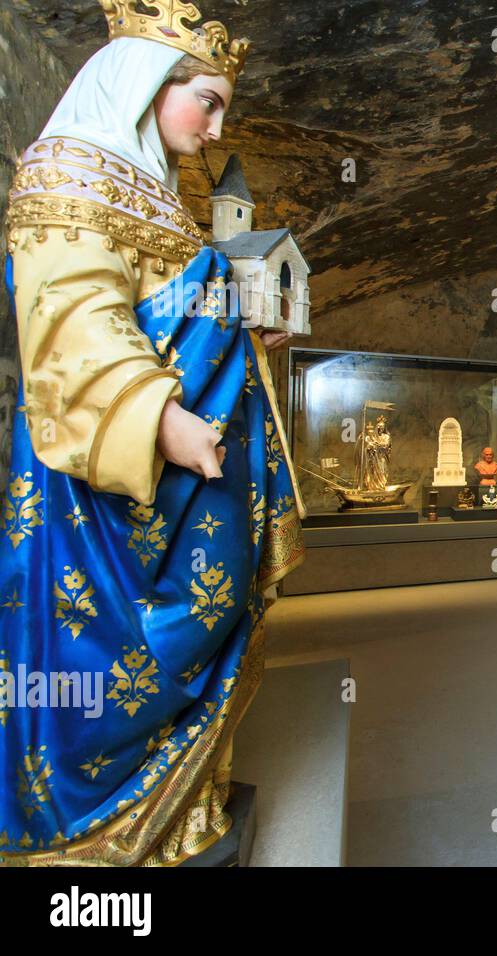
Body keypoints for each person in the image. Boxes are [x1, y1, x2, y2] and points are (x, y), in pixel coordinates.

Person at [0, 0, 305, 865]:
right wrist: (159, 418)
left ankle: (183, 796)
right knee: (110, 648)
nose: (214, 129)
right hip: (106, 482)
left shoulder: (166, 201)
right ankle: (93, 824)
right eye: (205, 101)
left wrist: (247, 330)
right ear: (147, 81)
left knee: (201, 620)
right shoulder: (68, 173)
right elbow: (72, 321)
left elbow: (178, 313)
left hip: (184, 473)